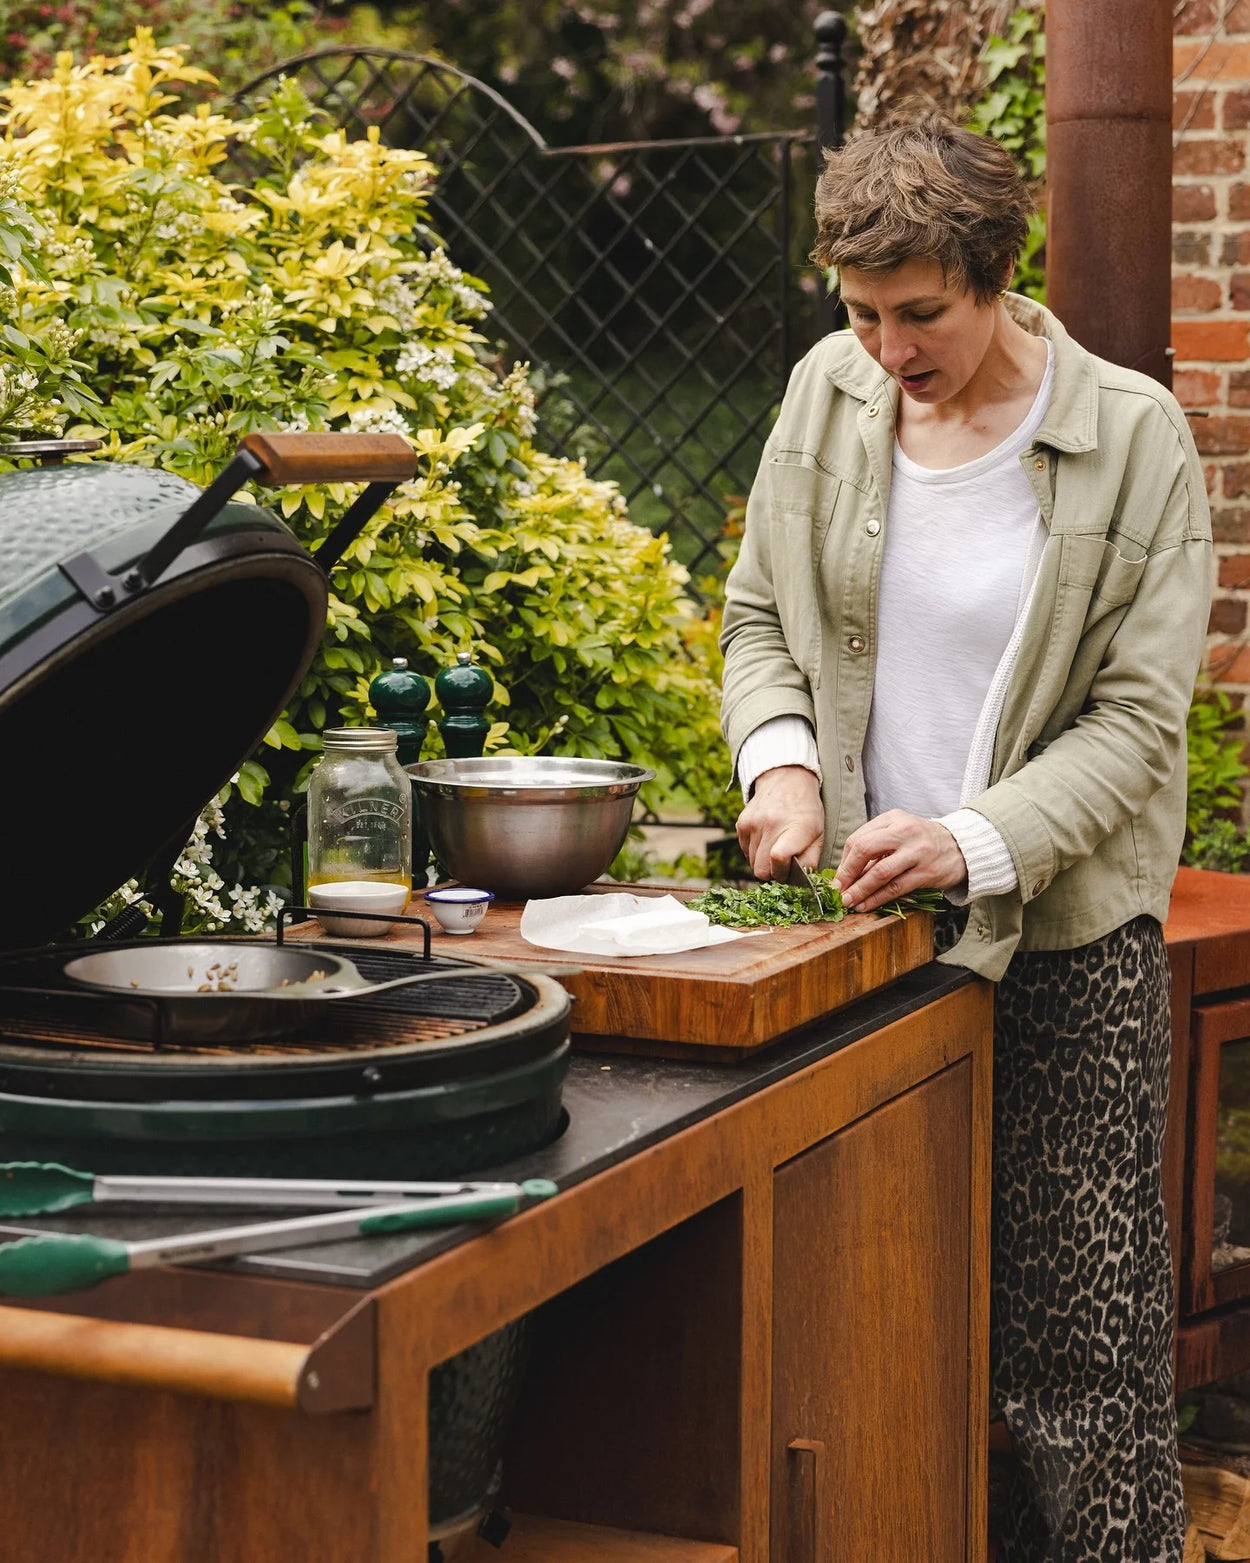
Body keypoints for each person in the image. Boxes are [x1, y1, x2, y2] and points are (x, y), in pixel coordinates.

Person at [720, 114, 1212, 1562]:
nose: (888, 350)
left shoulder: (1131, 435)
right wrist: (784, 767)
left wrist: (971, 839)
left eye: (920, 313)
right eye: (860, 313)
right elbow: (757, 619)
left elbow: (1136, 722)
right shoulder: (825, 396)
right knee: (884, 1316)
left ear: (999, 276)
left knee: (1080, 1354)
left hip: (1064, 949)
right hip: (864, 939)